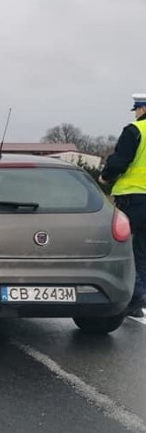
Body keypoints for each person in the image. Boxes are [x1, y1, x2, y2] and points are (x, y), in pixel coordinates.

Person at [99, 93, 146, 318]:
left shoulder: (135, 130)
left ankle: (134, 296)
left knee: (125, 248)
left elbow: (120, 160)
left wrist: (105, 177)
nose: (136, 113)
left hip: (134, 199)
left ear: (143, 109)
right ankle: (139, 298)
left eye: (137, 109)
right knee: (143, 251)